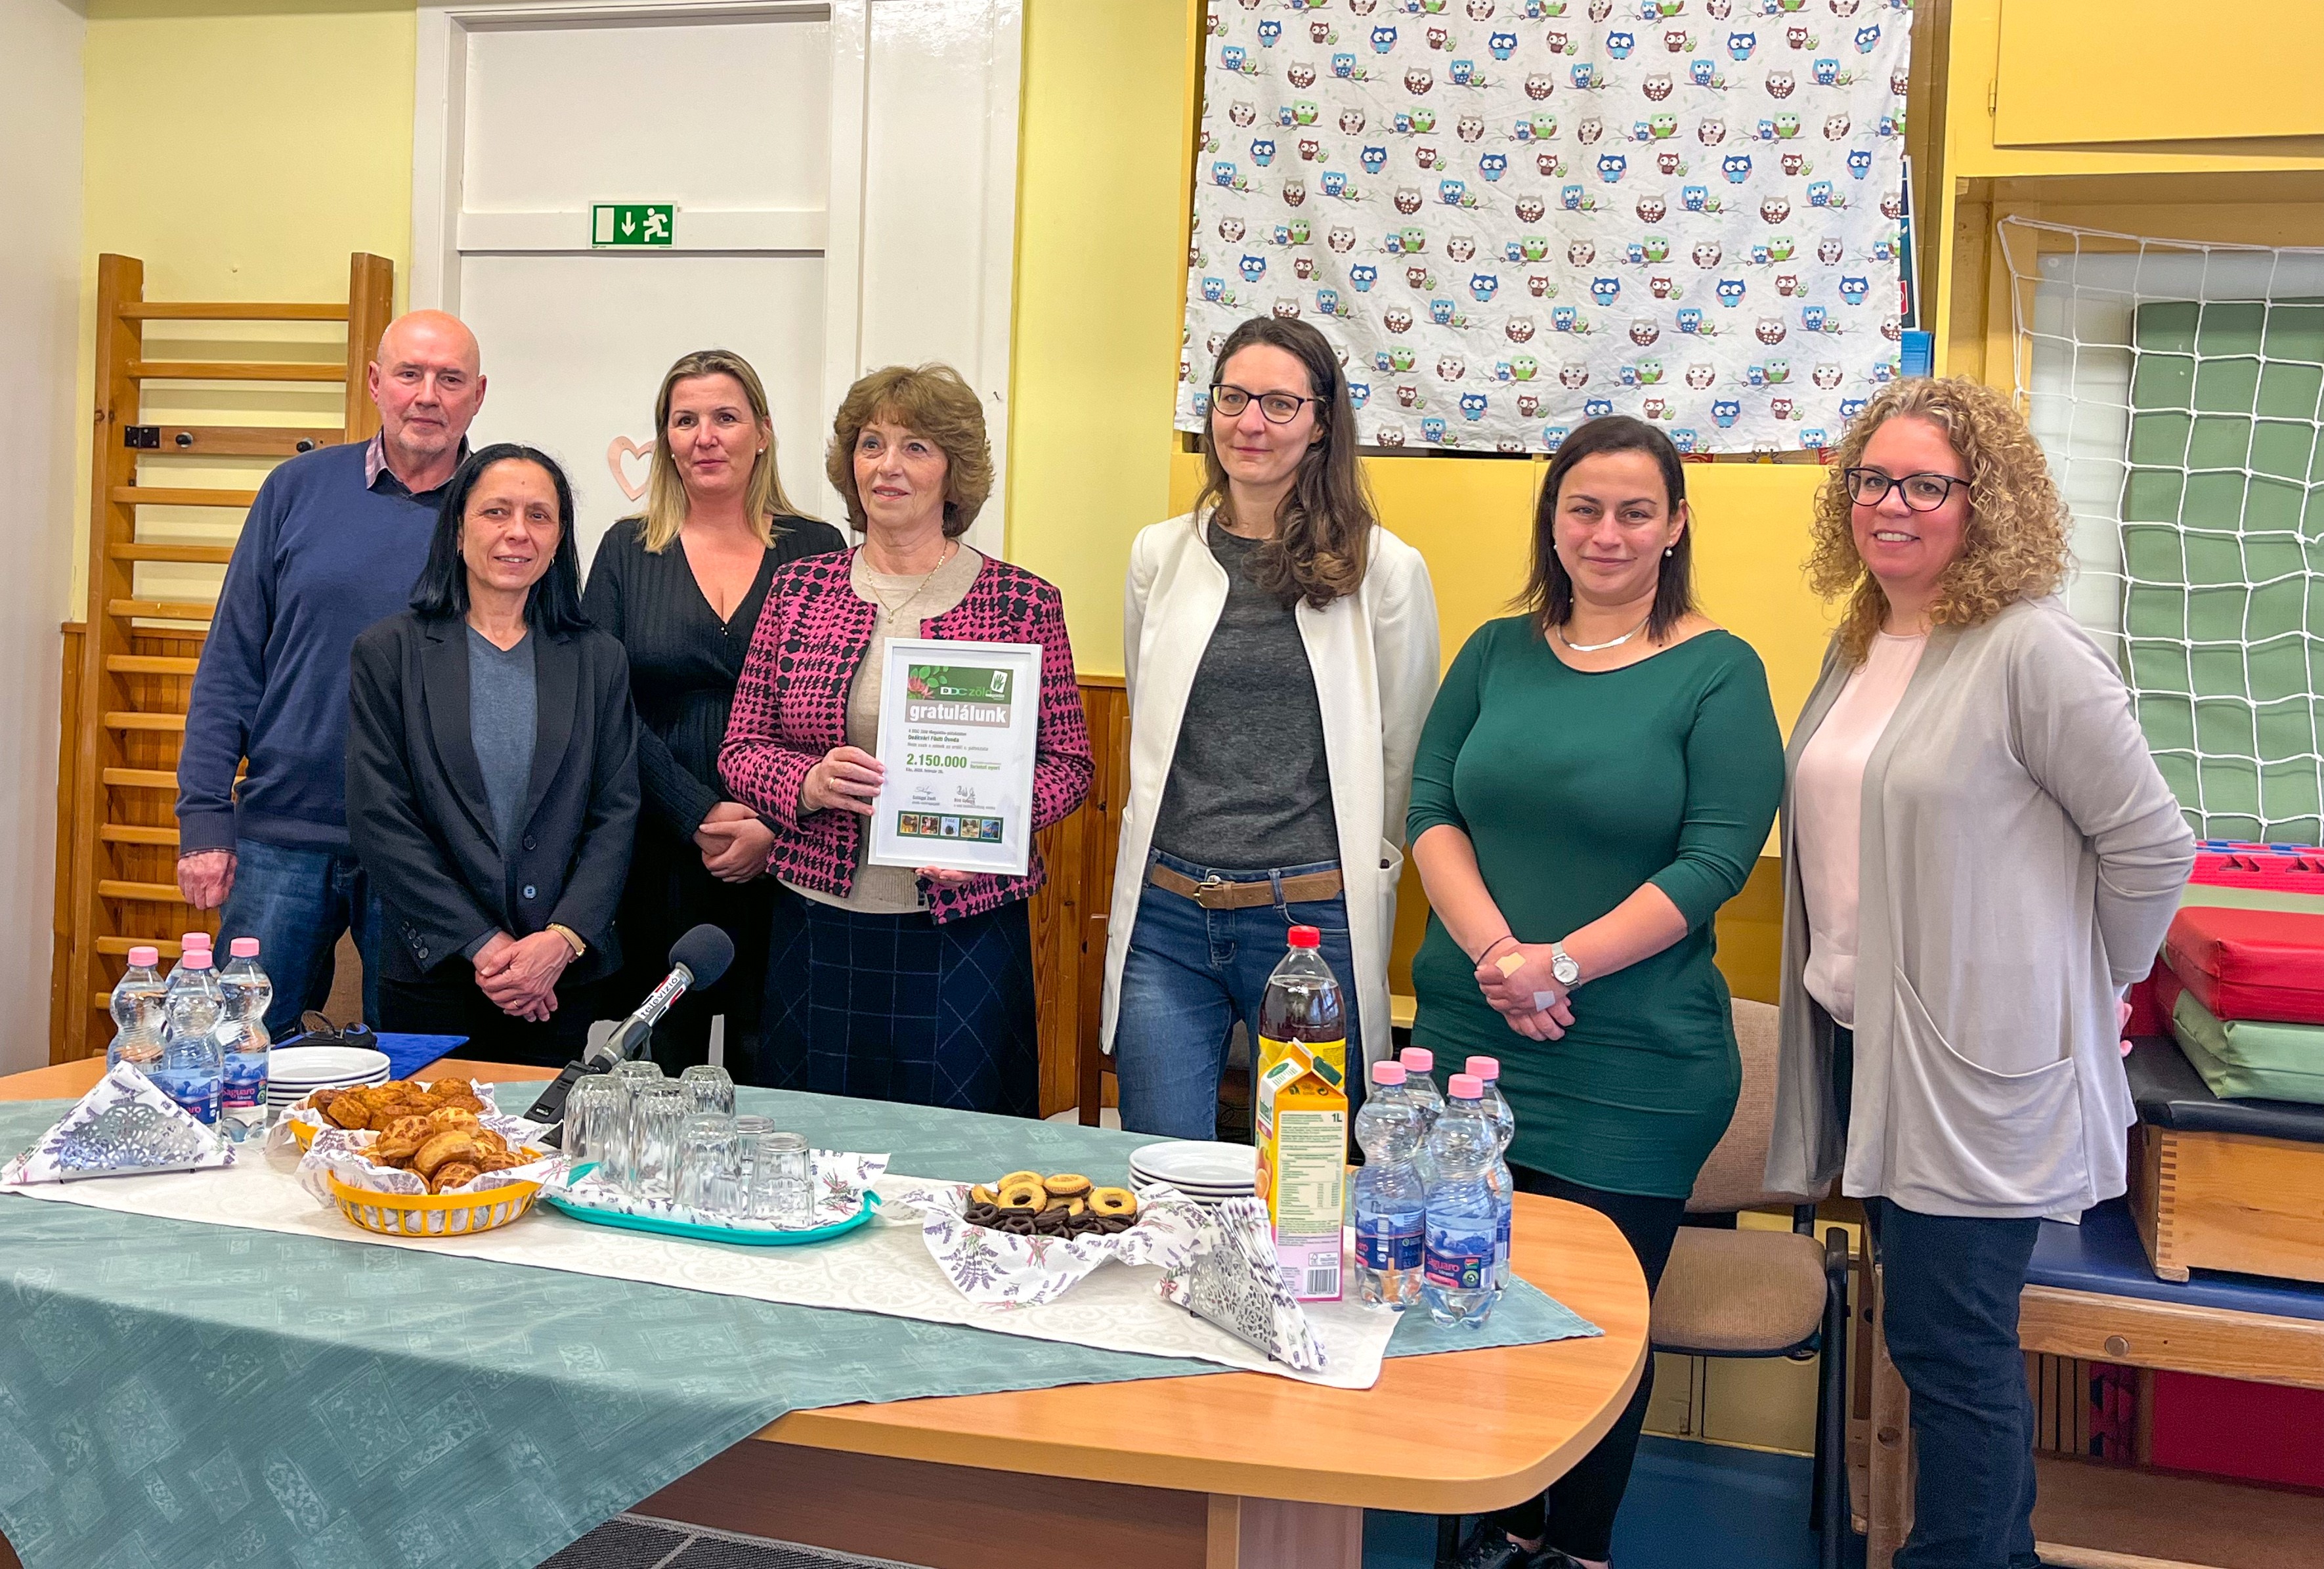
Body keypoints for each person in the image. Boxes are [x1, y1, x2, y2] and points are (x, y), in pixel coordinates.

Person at [1767, 378, 2194, 1569]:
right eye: (1872, 479)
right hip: (1867, 1046)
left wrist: (2090, 988)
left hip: (1978, 1067)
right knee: (1932, 1343)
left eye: (1926, 484)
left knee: (1953, 1350)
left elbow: (2152, 844)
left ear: (1985, 501)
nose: (1890, 505)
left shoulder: (2029, 648)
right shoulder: (1863, 638)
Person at [1410, 416, 1784, 1569]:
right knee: (1463, 1300)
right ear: (1553, 520)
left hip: (1634, 1065)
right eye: (1584, 507)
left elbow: (1717, 857)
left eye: (1635, 511)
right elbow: (1430, 808)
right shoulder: (1494, 651)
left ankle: (1574, 1551)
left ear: (1676, 526)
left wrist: (1560, 964)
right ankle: (1491, 1533)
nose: (1607, 532)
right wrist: (1503, 959)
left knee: (1589, 1325)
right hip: (1471, 1042)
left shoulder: (1720, 671)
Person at [719, 364, 1092, 1115]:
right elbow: (742, 747)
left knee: (957, 1150)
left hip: (965, 924)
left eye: (915, 447)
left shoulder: (1021, 601)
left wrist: (987, 832)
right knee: (813, 1141)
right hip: (819, 921)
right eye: (872, 444)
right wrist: (806, 783)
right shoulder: (800, 589)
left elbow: (1069, 765)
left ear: (954, 471)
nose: (887, 465)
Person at [1102, 316, 1439, 1137]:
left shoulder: (1385, 570)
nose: (1250, 423)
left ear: (1321, 422)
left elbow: (1402, 751)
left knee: (1302, 1173)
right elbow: (1152, 719)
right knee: (1160, 1166)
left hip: (1310, 922)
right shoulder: (1159, 555)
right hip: (1168, 915)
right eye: (1234, 398)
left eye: (1280, 403)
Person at [177, 311, 486, 1037]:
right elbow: (231, 659)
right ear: (376, 383)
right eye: (409, 374)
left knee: (413, 1065)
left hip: (428, 842)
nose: (428, 395)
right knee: (240, 1052)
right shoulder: (295, 489)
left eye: (450, 379)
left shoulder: (497, 512)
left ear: (478, 395)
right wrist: (204, 818)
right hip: (282, 830)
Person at [584, 349, 845, 1073]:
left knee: (780, 1059)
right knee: (663, 1065)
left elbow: (836, 702)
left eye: (725, 417)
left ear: (762, 431)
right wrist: (695, 811)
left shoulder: (818, 548)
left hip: (791, 847)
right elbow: (601, 704)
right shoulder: (627, 549)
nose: (705, 437)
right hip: (660, 845)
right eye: (685, 420)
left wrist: (774, 821)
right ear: (666, 438)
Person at [346, 445, 639, 1066]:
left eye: (539, 516)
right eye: (496, 512)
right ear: (458, 531)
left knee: (545, 1131)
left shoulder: (599, 659)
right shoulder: (389, 652)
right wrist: (484, 945)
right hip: (434, 971)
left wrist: (561, 940)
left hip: (557, 979)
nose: (518, 532)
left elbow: (616, 813)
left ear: (558, 540)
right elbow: (380, 818)